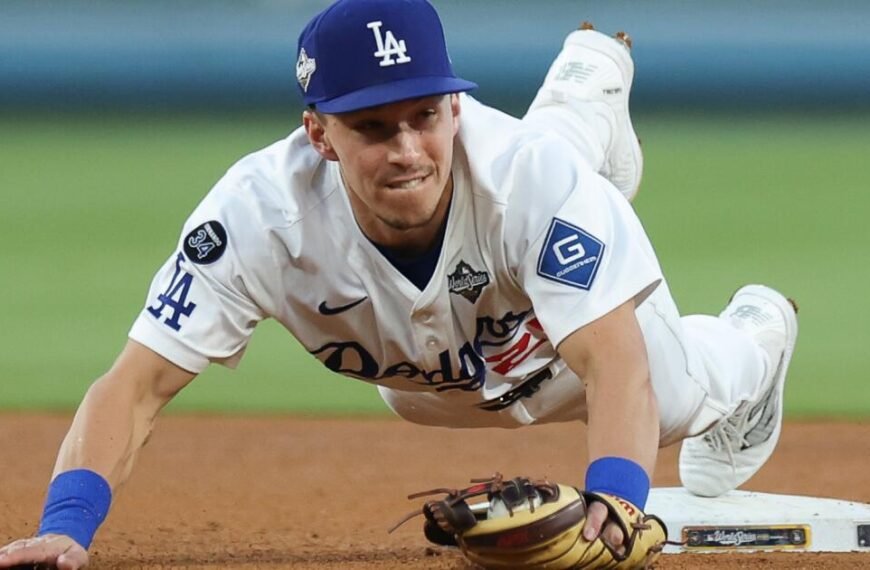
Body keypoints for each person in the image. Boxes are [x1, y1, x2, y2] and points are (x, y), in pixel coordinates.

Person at [0, 0, 799, 568]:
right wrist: (67, 525)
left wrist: (619, 501)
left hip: (562, 351)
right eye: (373, 127)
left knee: (677, 396)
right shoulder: (255, 215)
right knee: (515, 211)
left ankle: (758, 333)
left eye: (424, 114)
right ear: (318, 132)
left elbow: (616, 362)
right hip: (427, 385)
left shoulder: (528, 180)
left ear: (456, 104)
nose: (406, 147)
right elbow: (136, 384)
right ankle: (579, 101)